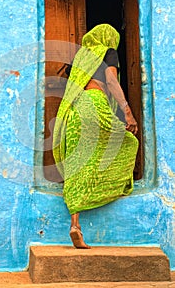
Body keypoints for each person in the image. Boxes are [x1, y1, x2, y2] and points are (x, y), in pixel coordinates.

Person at [52, 24, 139, 249]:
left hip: (76, 109)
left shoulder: (81, 57)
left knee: (77, 162)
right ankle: (108, 187)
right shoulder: (108, 52)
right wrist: (127, 113)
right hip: (95, 104)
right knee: (129, 142)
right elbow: (111, 82)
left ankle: (75, 225)